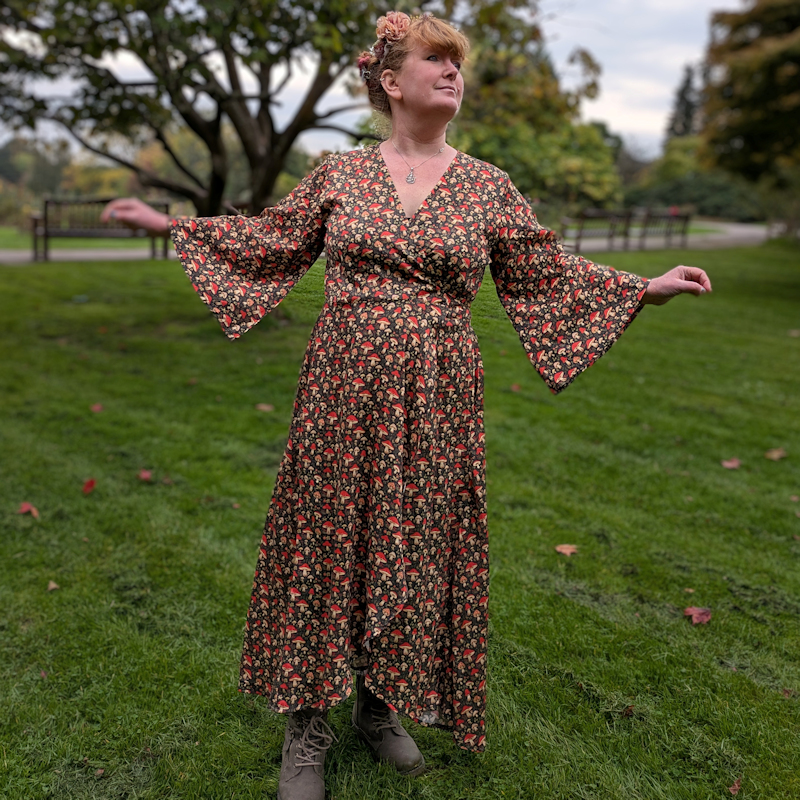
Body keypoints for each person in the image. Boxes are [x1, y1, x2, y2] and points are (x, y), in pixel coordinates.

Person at [101, 11, 712, 800]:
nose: (454, 72)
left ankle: (379, 706)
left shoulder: (487, 186)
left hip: (439, 396)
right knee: (326, 541)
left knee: (417, 542)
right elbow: (270, 241)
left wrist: (643, 288)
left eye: (458, 63)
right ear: (391, 82)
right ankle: (306, 726)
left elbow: (545, 273)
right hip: (341, 390)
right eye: (436, 59)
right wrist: (167, 224)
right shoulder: (340, 173)